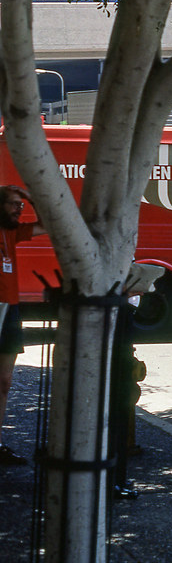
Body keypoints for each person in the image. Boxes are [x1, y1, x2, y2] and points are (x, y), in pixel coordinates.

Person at [0, 185, 45, 465]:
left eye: (22, 206)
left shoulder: (12, 232)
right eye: (14, 204)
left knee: (4, 382)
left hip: (10, 310)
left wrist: (30, 196)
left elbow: (48, 224)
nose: (19, 210)